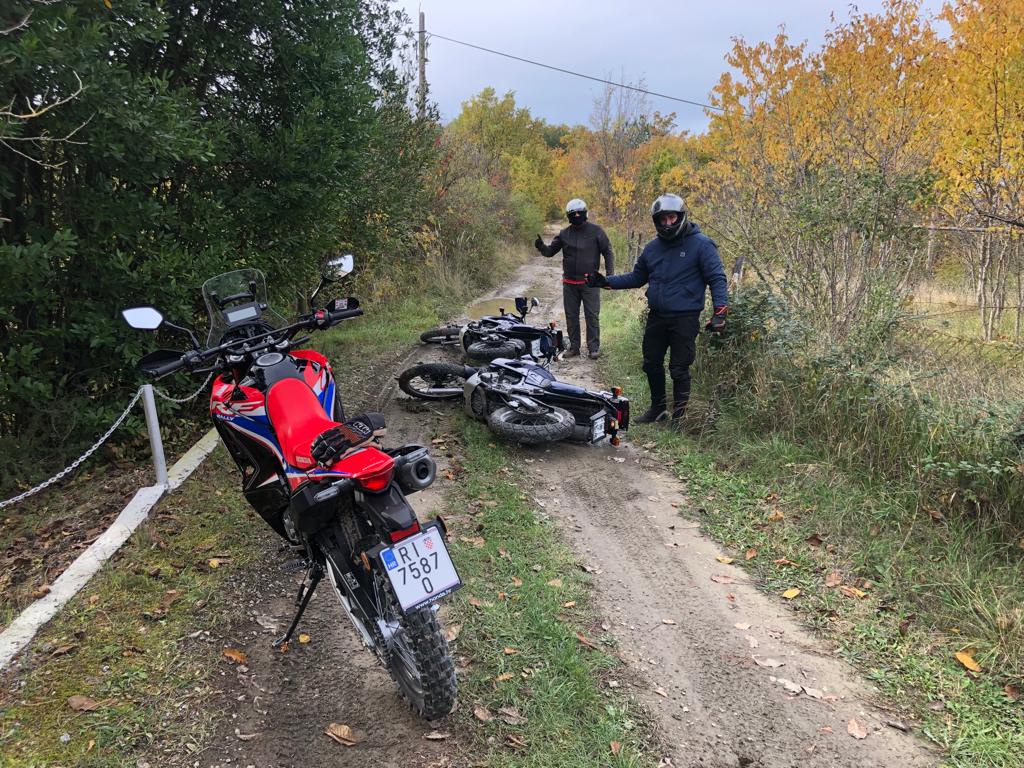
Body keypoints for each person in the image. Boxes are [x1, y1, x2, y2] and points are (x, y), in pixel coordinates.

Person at [587, 193, 728, 426]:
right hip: (657, 316)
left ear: (681, 216)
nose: (668, 223)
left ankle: (679, 417)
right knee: (651, 363)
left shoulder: (702, 245)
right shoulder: (653, 248)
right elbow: (637, 277)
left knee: (679, 368)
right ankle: (658, 409)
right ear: (656, 221)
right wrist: (605, 282)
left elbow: (717, 278)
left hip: (685, 317)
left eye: (672, 218)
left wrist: (720, 312)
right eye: (662, 219)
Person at [534, 198, 613, 359]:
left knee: (592, 316)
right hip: (569, 283)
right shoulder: (564, 234)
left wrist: (610, 276)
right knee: (571, 316)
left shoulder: (596, 231)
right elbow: (550, 252)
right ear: (569, 216)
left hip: (590, 283)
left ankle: (593, 348)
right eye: (573, 214)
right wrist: (541, 246)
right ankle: (574, 347)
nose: (577, 215)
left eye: (579, 213)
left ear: (585, 213)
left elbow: (608, 252)